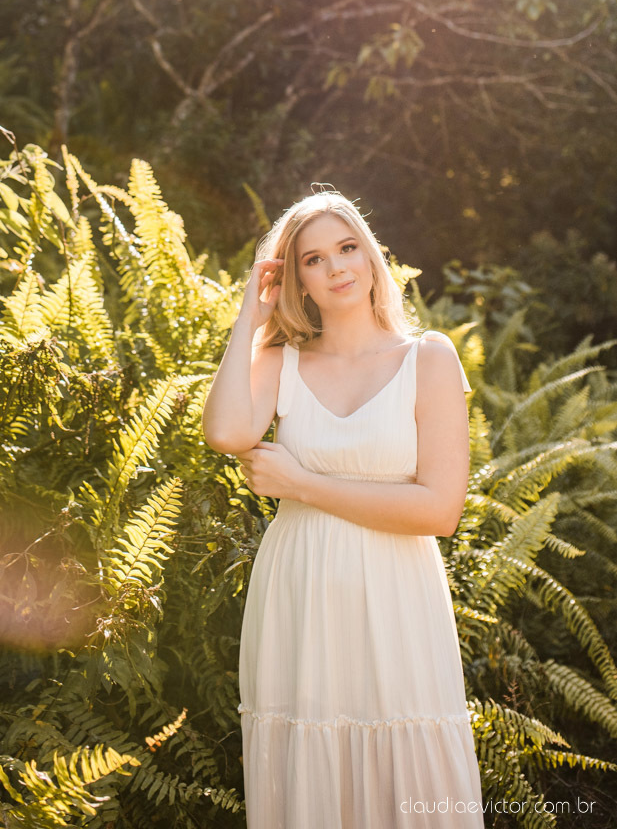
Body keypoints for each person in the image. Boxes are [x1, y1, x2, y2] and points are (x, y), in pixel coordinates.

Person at [202, 188, 486, 828]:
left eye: (347, 248)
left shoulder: (428, 358)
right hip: (300, 592)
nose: (336, 268)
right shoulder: (280, 362)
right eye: (313, 259)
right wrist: (248, 317)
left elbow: (439, 510)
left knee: (405, 756)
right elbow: (224, 433)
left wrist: (302, 484)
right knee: (311, 758)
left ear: (370, 254)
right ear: (294, 278)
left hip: (397, 594)